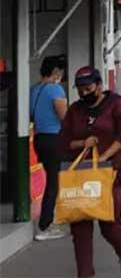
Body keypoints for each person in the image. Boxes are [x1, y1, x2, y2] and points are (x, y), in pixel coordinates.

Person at [59, 67, 121, 278]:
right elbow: (64, 142)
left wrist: (104, 157)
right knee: (80, 229)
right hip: (80, 176)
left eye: (88, 88)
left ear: (99, 86)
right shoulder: (75, 110)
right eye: (80, 89)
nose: (84, 93)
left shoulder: (115, 104)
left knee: (110, 224)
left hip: (108, 175)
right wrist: (83, 143)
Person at [30, 56, 67, 241]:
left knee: (49, 180)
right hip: (54, 138)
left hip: (39, 139)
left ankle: (47, 221)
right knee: (53, 182)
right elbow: (64, 117)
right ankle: (45, 226)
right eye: (60, 72)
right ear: (55, 72)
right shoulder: (55, 89)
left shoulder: (33, 90)